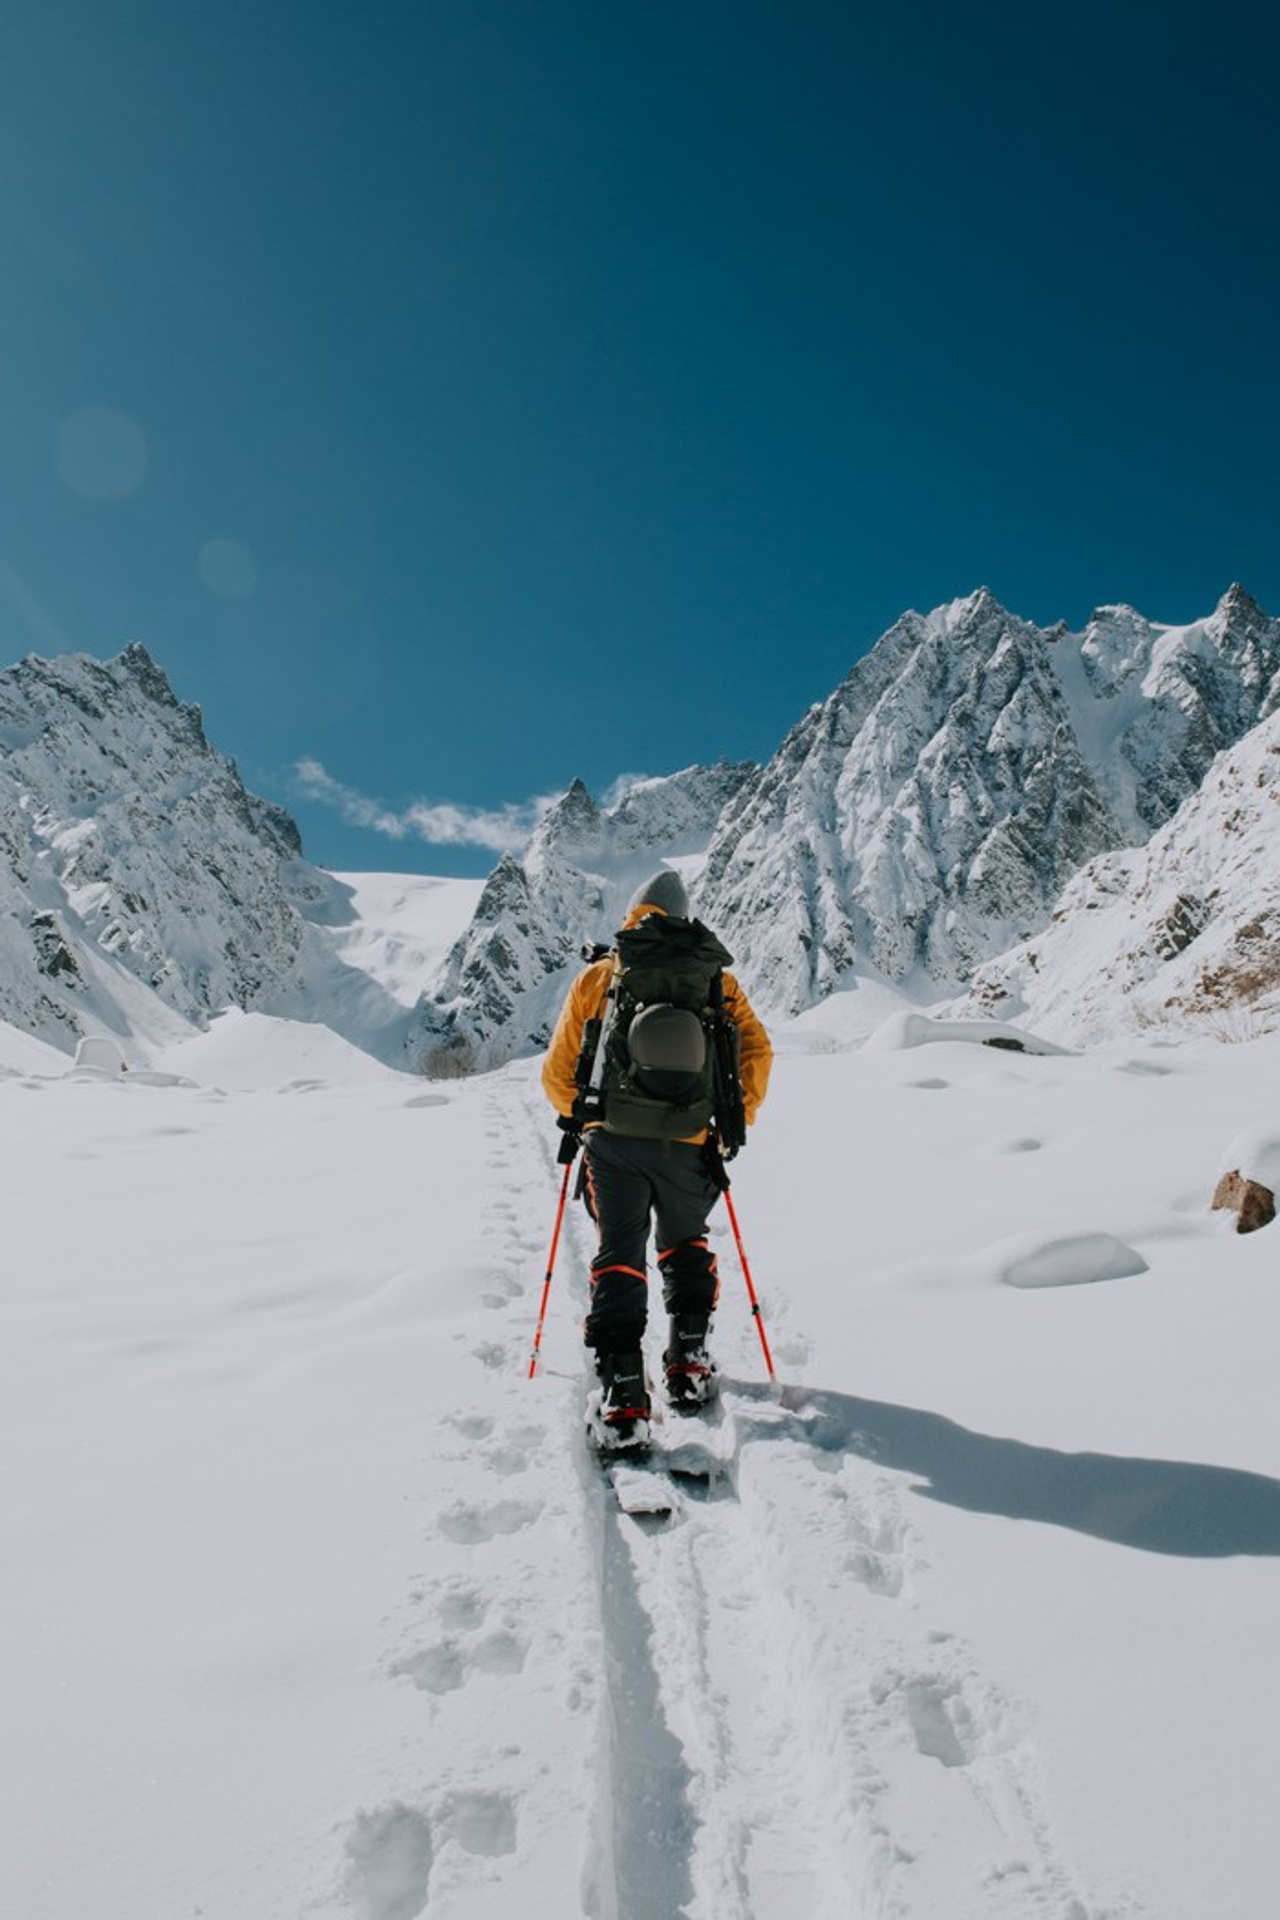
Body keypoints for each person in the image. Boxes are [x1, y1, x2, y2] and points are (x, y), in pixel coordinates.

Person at [541, 871, 772, 1447]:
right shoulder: (716, 980)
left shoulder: (602, 974)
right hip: (690, 1142)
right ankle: (689, 1362)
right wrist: (727, 1121)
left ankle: (623, 1395)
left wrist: (587, 1116)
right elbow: (757, 1050)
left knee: (619, 1253)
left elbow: (558, 1071)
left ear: (634, 914)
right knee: (685, 1242)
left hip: (614, 1145)